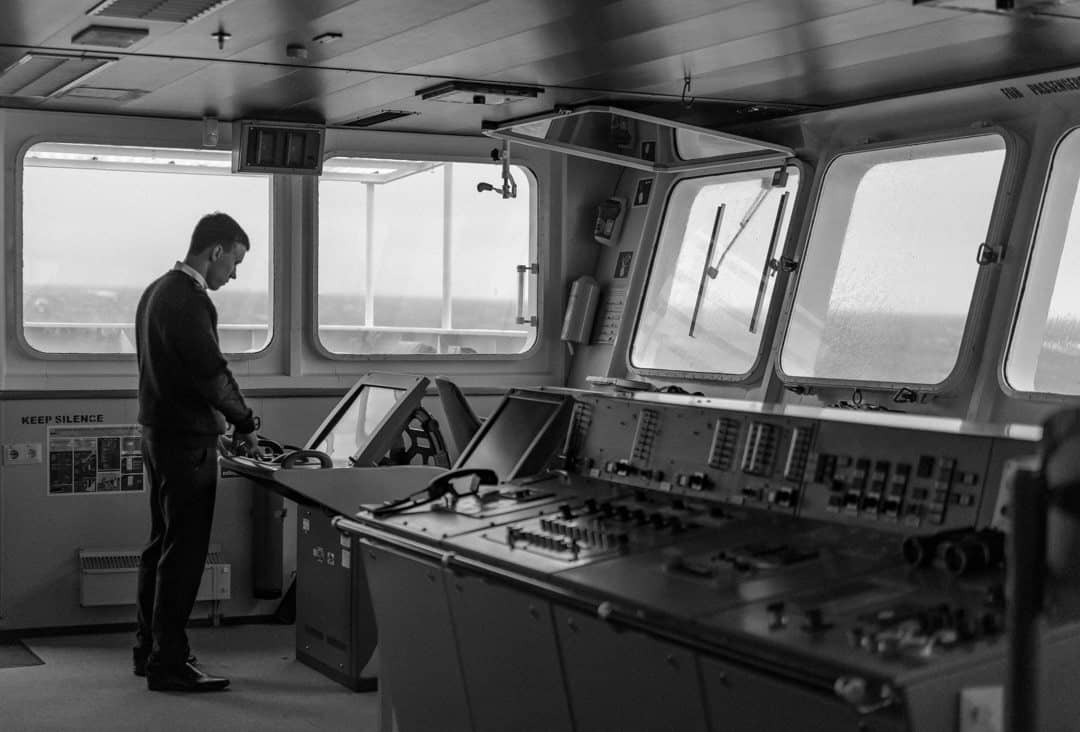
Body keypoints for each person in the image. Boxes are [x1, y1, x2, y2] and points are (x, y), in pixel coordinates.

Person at [133, 212, 260, 692]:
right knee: (183, 554)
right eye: (235, 262)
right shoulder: (189, 300)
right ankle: (169, 662)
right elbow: (211, 373)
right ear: (216, 251)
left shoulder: (156, 291)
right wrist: (244, 422)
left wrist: (212, 426)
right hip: (185, 445)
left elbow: (178, 374)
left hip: (160, 435)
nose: (234, 274)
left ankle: (148, 650)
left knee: (161, 545)